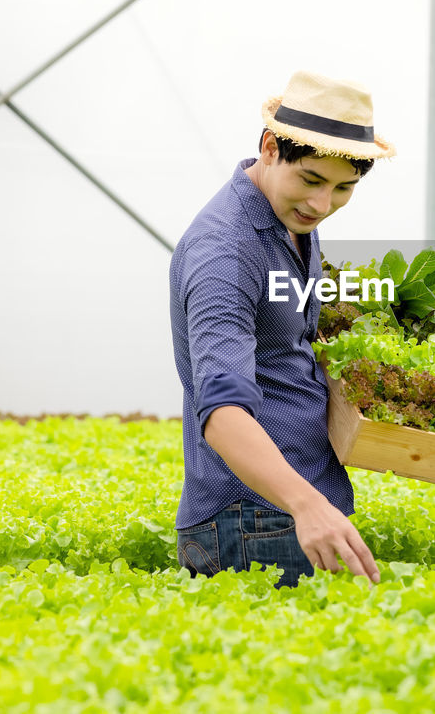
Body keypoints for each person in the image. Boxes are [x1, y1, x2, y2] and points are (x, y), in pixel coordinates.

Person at [170, 70, 395, 587]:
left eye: (344, 188)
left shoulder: (291, 223)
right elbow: (222, 411)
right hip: (254, 522)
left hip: (296, 513)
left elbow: (290, 346)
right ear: (270, 147)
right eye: (312, 180)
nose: (322, 205)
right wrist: (306, 506)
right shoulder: (225, 251)